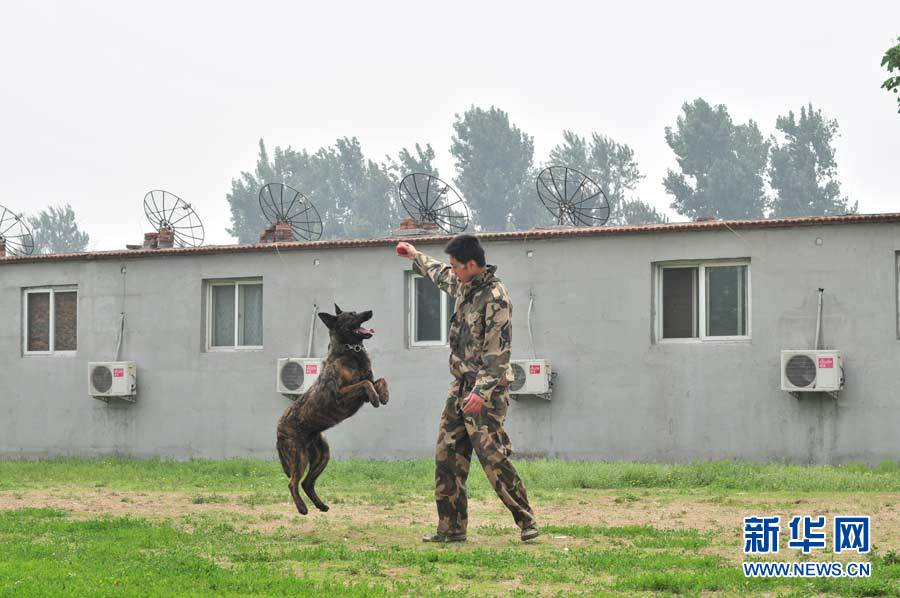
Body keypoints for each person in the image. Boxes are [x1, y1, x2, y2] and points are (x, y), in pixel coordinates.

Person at [396, 234, 539, 543]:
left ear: (472, 265)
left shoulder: (496, 298)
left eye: (457, 267)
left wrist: (481, 392)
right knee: (447, 455)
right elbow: (439, 273)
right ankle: (450, 529)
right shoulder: (463, 283)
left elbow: (498, 354)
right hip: (460, 387)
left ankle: (526, 520)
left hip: (486, 391)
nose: (454, 272)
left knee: (492, 457)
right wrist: (414, 254)